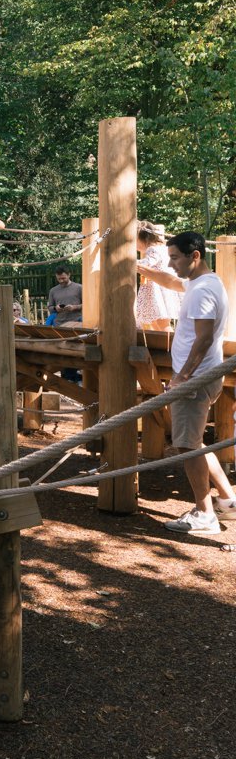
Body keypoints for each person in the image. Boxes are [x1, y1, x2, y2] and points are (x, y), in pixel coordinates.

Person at [137, 230, 235, 535]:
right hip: (202, 376)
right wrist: (142, 269)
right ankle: (228, 500)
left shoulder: (203, 291)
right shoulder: (203, 281)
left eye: (176, 258)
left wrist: (182, 376)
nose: (171, 264)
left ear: (195, 256)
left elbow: (204, 338)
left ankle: (205, 514)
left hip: (195, 379)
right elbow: (171, 281)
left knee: (185, 445)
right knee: (194, 442)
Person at [136, 222, 175, 331]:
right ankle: (165, 346)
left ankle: (172, 346)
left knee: (162, 323)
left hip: (157, 291)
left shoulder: (153, 249)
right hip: (162, 288)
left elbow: (147, 263)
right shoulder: (163, 248)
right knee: (156, 322)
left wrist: (130, 261)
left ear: (142, 238)